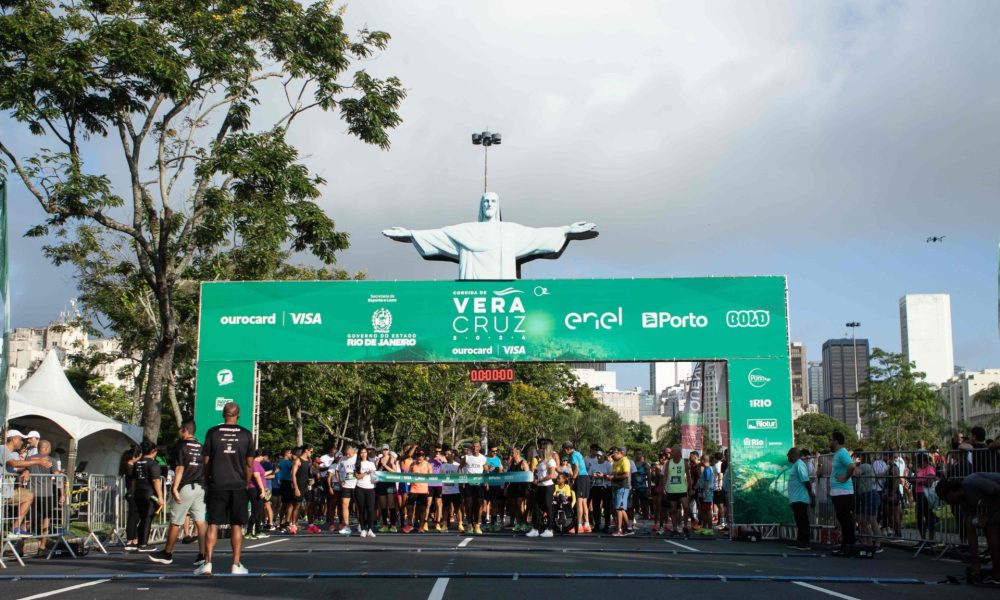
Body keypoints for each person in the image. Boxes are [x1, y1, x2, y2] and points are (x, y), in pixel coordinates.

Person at [382, 192, 597, 280]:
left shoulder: (510, 231)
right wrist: (410, 234)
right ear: (480, 205)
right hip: (469, 294)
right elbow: (439, 236)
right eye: (485, 201)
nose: (489, 205)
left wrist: (567, 230)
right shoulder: (465, 231)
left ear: (498, 206)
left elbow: (537, 236)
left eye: (493, 201)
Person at [198, 402, 254, 576]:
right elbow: (249, 464)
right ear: (238, 415)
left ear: (223, 414)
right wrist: (246, 482)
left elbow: (206, 461)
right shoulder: (246, 434)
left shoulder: (213, 432)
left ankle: (207, 563)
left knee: (213, 523)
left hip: (217, 483)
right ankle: (236, 564)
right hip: (237, 484)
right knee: (236, 524)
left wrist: (207, 479)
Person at [149, 421, 207, 566]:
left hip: (185, 485)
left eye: (180, 430)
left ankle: (167, 553)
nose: (178, 432)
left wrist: (175, 487)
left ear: (185, 430)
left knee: (176, 521)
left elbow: (180, 468)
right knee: (200, 520)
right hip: (200, 486)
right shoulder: (201, 446)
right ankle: (203, 554)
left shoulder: (181, 446)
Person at [936, 474, 1000, 584]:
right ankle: (997, 571)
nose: (947, 503)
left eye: (946, 499)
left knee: (991, 528)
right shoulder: (964, 502)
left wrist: (988, 516)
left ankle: (998, 574)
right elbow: (970, 531)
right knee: (985, 527)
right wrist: (974, 561)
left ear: (951, 492)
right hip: (995, 507)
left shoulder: (972, 483)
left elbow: (998, 491)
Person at [1, 429, 51, 538]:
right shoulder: (2, 449)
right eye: (20, 439)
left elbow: (17, 467)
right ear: (13, 439)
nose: (22, 442)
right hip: (1, 491)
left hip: (8, 492)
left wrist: (25, 470)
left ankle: (14, 529)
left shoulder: (14, 453)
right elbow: (13, 463)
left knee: (28, 495)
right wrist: (38, 461)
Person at [130, 441, 165, 552]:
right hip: (149, 494)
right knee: (147, 519)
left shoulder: (137, 462)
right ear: (153, 451)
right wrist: (160, 496)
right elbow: (155, 480)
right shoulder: (153, 464)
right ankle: (144, 544)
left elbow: (134, 479)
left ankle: (140, 542)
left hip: (138, 493)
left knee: (142, 518)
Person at [26, 439, 58, 550]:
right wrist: (62, 493)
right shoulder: (52, 460)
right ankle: (43, 545)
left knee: (28, 518)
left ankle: (21, 545)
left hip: (31, 493)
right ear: (47, 448)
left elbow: (25, 472)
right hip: (47, 493)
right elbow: (57, 478)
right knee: (46, 518)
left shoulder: (29, 459)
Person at [829, 431, 856, 555]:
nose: (829, 442)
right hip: (837, 492)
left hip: (843, 491)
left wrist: (845, 478)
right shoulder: (837, 454)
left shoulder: (843, 453)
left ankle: (849, 545)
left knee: (846, 519)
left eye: (831, 439)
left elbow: (851, 466)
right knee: (842, 519)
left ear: (836, 441)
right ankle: (845, 545)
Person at [786, 447, 815, 550]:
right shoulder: (795, 465)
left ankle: (805, 542)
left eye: (789, 454)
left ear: (794, 455)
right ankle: (800, 541)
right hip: (796, 498)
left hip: (800, 498)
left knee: (802, 520)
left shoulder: (799, 464)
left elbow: (805, 480)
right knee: (799, 520)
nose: (787, 456)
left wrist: (811, 493)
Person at [527, 442, 558, 538]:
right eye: (541, 448)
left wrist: (540, 479)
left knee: (548, 507)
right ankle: (535, 529)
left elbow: (551, 475)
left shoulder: (551, 461)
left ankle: (550, 529)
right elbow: (539, 473)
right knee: (535, 506)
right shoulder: (542, 461)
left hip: (548, 486)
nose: (541, 450)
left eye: (543, 448)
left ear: (547, 450)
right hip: (539, 486)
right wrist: (535, 476)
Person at [459, 441, 488, 534]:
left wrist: (486, 482)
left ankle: (478, 525)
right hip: (468, 484)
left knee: (479, 505)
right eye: (473, 447)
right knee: (468, 505)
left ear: (479, 448)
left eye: (477, 447)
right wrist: (461, 480)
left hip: (479, 485)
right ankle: (469, 524)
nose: (475, 448)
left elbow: (486, 471)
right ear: (471, 448)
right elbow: (460, 468)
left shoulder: (483, 458)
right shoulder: (467, 457)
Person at [913, 452, 937, 542]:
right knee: (919, 517)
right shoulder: (919, 469)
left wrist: (917, 481)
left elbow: (929, 483)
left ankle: (931, 540)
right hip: (918, 494)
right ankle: (922, 539)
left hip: (926, 495)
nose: (918, 464)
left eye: (919, 462)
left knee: (928, 516)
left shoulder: (930, 469)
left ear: (925, 461)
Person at [663, 445, 688, 537]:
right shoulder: (669, 463)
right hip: (672, 489)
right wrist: (664, 487)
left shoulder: (684, 462)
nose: (671, 453)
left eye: (673, 452)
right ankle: (675, 528)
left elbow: (688, 476)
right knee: (673, 510)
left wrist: (690, 488)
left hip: (682, 489)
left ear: (678, 453)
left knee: (686, 507)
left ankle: (685, 526)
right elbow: (665, 475)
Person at [246, 449, 270, 540]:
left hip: (257, 489)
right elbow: (256, 476)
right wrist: (262, 489)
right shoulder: (255, 463)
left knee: (258, 511)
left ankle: (253, 531)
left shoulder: (258, 464)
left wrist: (272, 472)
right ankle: (253, 531)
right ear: (262, 456)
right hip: (255, 489)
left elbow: (261, 475)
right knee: (256, 511)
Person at [354, 447, 377, 538]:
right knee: (361, 510)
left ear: (367, 454)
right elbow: (357, 476)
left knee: (370, 510)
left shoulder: (371, 463)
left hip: (370, 488)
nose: (363, 454)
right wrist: (366, 473)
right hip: (360, 488)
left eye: (365, 452)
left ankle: (370, 529)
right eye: (361, 453)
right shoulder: (357, 464)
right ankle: (363, 529)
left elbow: (375, 477)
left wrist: (374, 476)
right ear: (359, 454)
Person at [407, 450, 433, 532]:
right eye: (418, 456)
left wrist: (425, 477)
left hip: (423, 489)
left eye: (421, 456)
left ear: (423, 456)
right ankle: (410, 525)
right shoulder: (412, 464)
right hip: (413, 488)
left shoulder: (428, 465)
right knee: (409, 507)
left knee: (423, 508)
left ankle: (421, 526)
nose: (419, 457)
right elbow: (408, 475)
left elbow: (431, 477)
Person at [375, 444, 399, 532]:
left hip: (390, 483)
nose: (385, 451)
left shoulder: (391, 458)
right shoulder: (378, 459)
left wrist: (385, 466)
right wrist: (378, 465)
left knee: (391, 504)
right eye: (383, 450)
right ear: (381, 450)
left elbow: (395, 472)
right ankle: (384, 524)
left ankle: (393, 525)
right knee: (383, 505)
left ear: (388, 450)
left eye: (386, 449)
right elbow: (376, 471)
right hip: (381, 484)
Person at [610, 447, 632, 537]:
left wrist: (614, 477)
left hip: (622, 487)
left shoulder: (625, 461)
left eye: (614, 454)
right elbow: (613, 474)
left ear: (619, 453)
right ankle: (627, 528)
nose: (612, 456)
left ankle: (619, 529)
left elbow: (626, 474)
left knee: (619, 509)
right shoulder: (615, 462)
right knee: (621, 509)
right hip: (616, 487)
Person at [506, 447, 530, 531]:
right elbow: (507, 476)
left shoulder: (523, 463)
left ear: (517, 453)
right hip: (512, 487)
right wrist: (506, 487)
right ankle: (518, 523)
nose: (511, 454)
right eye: (511, 453)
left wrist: (527, 489)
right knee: (515, 507)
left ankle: (524, 523)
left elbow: (528, 476)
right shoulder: (511, 463)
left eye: (512, 453)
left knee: (520, 506)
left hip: (521, 487)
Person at [440, 449, 464, 531]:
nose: (446, 456)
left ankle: (460, 525)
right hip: (445, 491)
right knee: (445, 508)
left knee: (458, 508)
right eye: (445, 454)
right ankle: (444, 525)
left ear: (452, 455)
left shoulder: (458, 465)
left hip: (456, 490)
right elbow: (440, 478)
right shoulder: (443, 466)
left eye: (447, 454)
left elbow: (461, 477)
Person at [589, 450, 612, 533]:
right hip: (596, 487)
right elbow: (589, 475)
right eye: (597, 455)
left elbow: (611, 476)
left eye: (600, 455)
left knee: (606, 506)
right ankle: (597, 524)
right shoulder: (594, 465)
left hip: (605, 487)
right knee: (596, 507)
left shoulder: (607, 464)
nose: (598, 457)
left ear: (603, 456)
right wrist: (593, 476)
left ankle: (607, 524)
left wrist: (604, 475)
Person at [336, 444, 357, 536]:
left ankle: (361, 525)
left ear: (353, 451)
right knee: (344, 505)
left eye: (349, 454)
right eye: (346, 454)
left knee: (359, 506)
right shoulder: (342, 459)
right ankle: (347, 526)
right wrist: (339, 480)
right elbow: (336, 470)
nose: (347, 456)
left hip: (357, 485)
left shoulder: (358, 457)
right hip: (346, 485)